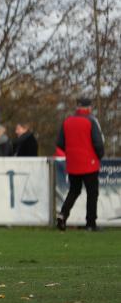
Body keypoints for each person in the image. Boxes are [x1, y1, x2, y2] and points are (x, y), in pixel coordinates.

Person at [56, 97, 105, 231]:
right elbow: (98, 142)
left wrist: (72, 153)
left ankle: (63, 215)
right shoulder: (91, 121)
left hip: (73, 163)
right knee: (92, 193)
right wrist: (99, 156)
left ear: (77, 108)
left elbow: (60, 143)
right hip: (89, 162)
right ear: (89, 108)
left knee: (74, 190)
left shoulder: (67, 121)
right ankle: (90, 223)